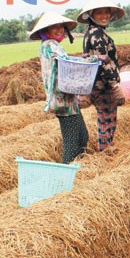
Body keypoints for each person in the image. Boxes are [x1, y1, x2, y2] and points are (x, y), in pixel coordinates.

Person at [30, 11, 89, 164]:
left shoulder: (53, 45)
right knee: (72, 140)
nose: (59, 30)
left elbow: (65, 61)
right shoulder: (49, 45)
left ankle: (78, 168)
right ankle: (68, 170)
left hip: (67, 98)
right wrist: (91, 60)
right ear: (46, 31)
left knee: (82, 136)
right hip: (62, 99)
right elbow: (67, 64)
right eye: (53, 27)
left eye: (61, 27)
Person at [77, 0, 127, 151]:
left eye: (107, 12)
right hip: (103, 86)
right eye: (100, 13)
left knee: (104, 121)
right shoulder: (98, 34)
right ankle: (105, 153)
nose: (104, 16)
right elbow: (103, 61)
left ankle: (105, 151)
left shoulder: (90, 33)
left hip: (95, 85)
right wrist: (114, 86)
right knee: (107, 122)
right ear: (91, 14)